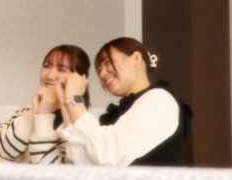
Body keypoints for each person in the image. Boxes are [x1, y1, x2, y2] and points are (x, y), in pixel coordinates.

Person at [57, 37, 192, 166]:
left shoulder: (159, 99)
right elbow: (84, 163)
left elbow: (108, 154)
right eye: (99, 70)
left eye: (107, 62)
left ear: (136, 58)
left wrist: (75, 98)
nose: (102, 74)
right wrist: (64, 100)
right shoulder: (120, 113)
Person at [0, 45, 91, 164]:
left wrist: (43, 115)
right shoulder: (25, 110)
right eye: (47, 66)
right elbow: (4, 151)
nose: (50, 76)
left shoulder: (81, 124)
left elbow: (53, 171)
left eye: (61, 69)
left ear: (80, 79)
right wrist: (35, 113)